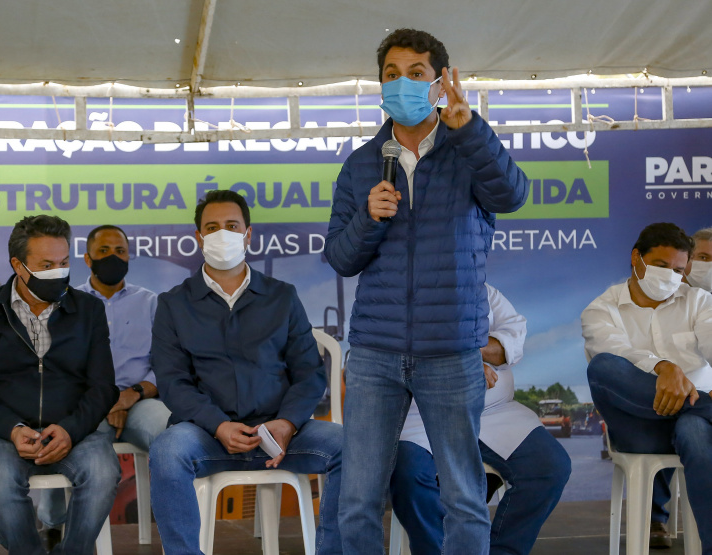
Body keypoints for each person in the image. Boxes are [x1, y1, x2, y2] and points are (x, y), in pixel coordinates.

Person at [324, 28, 529, 554]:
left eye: (415, 73)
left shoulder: (468, 151)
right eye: (391, 74)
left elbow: (512, 195)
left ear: (439, 83)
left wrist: (471, 131)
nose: (402, 83)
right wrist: (368, 218)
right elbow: (341, 259)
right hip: (375, 354)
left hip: (452, 352)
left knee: (463, 497)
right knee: (358, 499)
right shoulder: (361, 164)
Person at [150, 190, 343, 555]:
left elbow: (310, 373)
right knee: (166, 450)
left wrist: (286, 424)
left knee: (350, 447)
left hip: (281, 436)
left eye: (232, 226)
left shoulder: (282, 297)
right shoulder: (173, 304)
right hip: (207, 435)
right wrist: (218, 425)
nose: (222, 234)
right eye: (212, 227)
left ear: (248, 234)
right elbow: (173, 382)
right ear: (199, 237)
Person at [0, 215, 121, 555]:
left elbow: (103, 387)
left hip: (77, 434)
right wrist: (13, 429)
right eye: (47, 265)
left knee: (103, 471)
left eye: (63, 263)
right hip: (6, 437)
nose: (58, 272)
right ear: (18, 265)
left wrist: (71, 430)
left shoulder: (89, 309)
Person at [391, 284, 570, 555]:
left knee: (550, 466)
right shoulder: (397, 292)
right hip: (422, 415)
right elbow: (399, 350)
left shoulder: (484, 291)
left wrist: (468, 353)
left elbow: (510, 343)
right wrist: (462, 360)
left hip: (493, 411)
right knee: (408, 476)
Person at [583, 222, 712, 553]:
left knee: (696, 435)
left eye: (678, 270)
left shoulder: (699, 301)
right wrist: (663, 367)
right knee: (603, 366)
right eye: (660, 265)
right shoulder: (601, 309)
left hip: (692, 421)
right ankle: (704, 405)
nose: (670, 276)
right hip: (639, 427)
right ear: (636, 258)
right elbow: (614, 351)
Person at [37, 224, 169, 543]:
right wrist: (105, 401)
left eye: (120, 251)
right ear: (87, 259)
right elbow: (57, 366)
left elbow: (167, 364)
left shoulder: (151, 303)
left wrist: (131, 395)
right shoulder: (66, 304)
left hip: (139, 399)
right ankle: (53, 525)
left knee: (172, 437)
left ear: (129, 256)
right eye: (104, 251)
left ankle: (178, 532)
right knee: (66, 437)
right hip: (87, 401)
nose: (113, 257)